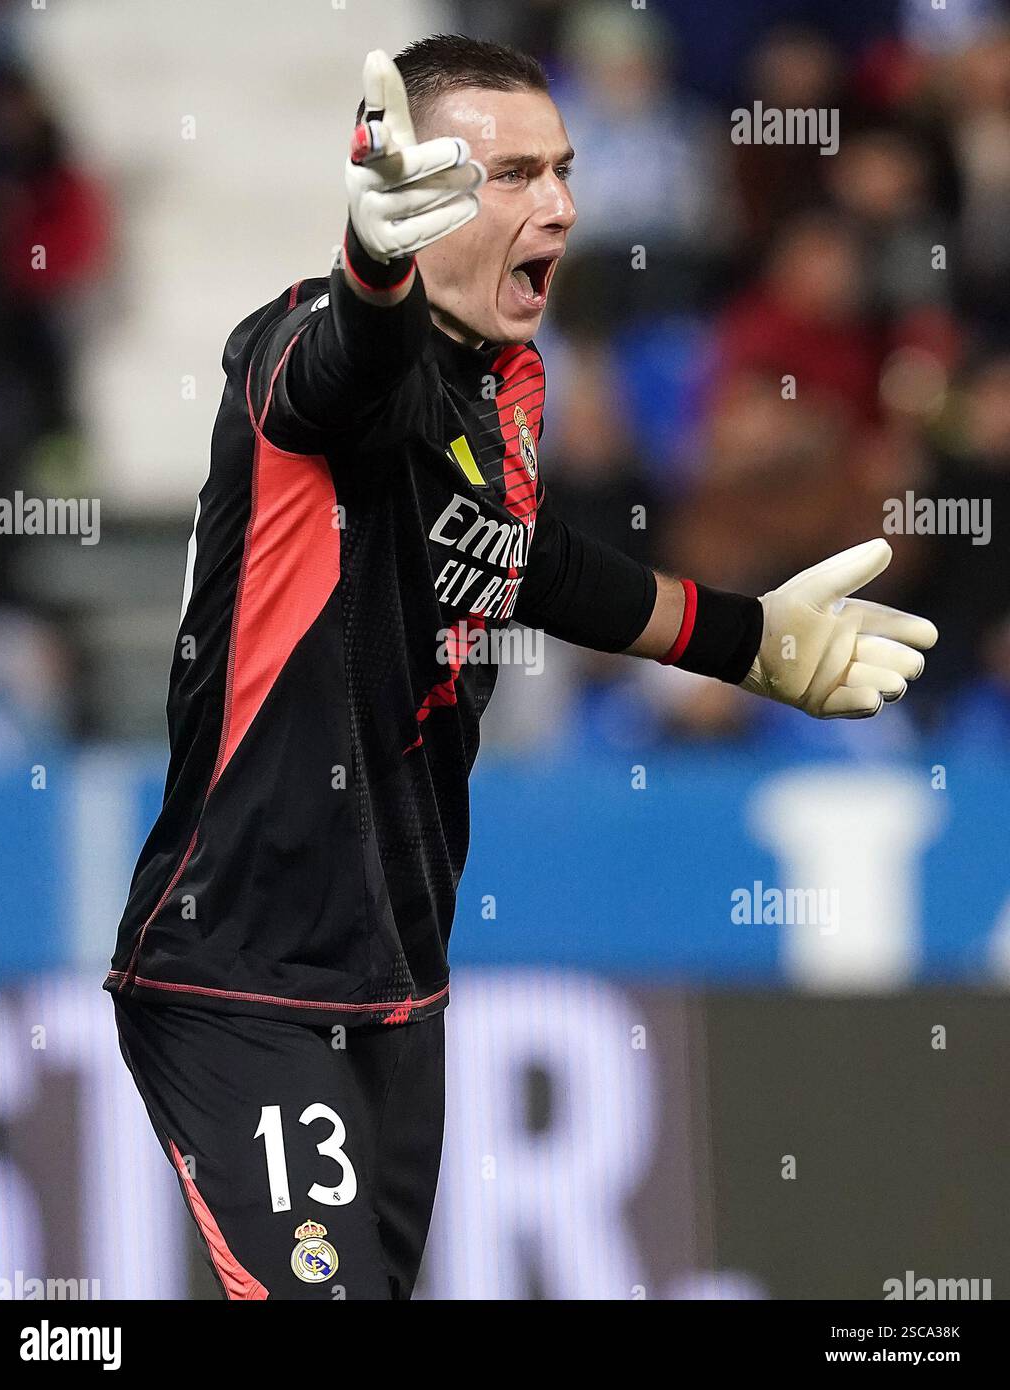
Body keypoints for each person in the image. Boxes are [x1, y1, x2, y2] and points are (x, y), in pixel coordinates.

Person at [106, 35, 937, 1300]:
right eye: (507, 176)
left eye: (562, 171)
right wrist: (371, 268)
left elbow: (533, 567)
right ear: (409, 191)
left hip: (397, 987)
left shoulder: (499, 388)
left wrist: (750, 642)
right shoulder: (298, 351)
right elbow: (340, 373)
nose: (553, 205)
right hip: (244, 973)